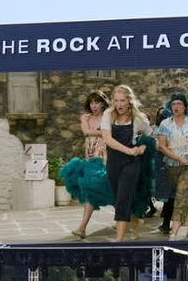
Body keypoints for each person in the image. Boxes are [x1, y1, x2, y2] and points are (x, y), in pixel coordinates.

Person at [100, 84, 154, 242]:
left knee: (123, 199)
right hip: (113, 162)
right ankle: (135, 219)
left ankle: (119, 242)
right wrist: (128, 150)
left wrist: (143, 146)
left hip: (132, 163)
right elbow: (107, 139)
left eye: (122, 100)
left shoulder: (139, 118)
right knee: (119, 199)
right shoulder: (108, 114)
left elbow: (151, 136)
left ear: (129, 101)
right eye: (116, 100)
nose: (119, 104)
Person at [154, 92, 188, 239]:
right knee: (185, 194)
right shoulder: (165, 124)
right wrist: (177, 158)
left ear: (185, 107)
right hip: (171, 165)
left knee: (181, 195)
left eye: (179, 104)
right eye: (174, 104)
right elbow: (163, 147)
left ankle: (174, 233)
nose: (176, 107)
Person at [64, 89, 110, 239]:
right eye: (91, 102)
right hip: (91, 159)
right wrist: (103, 132)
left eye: (97, 102)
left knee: (114, 189)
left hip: (106, 158)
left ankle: (131, 216)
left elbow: (109, 134)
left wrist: (100, 132)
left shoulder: (109, 117)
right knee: (90, 190)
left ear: (103, 103)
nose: (94, 105)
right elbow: (85, 132)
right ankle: (82, 228)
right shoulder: (85, 117)